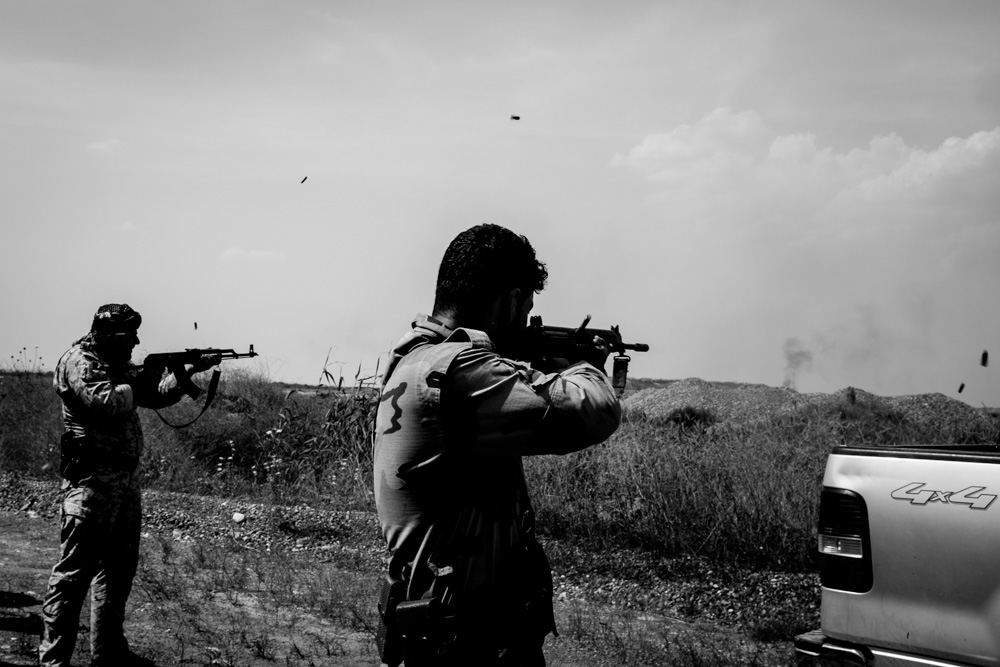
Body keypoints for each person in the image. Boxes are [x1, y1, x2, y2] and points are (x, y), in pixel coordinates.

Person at [373, 224, 622, 666]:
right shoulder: (457, 370)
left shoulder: (416, 358)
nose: (524, 322)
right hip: (469, 641)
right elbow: (591, 412)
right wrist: (586, 365)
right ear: (510, 299)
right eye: (525, 309)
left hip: (447, 628)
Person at [39, 304, 219, 667]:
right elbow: (105, 402)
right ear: (109, 335)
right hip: (91, 482)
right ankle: (53, 660)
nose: (136, 341)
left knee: (117, 573)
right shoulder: (81, 362)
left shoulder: (114, 365)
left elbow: (153, 396)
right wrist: (140, 380)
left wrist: (185, 373)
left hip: (122, 482)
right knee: (73, 577)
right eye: (130, 335)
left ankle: (108, 653)